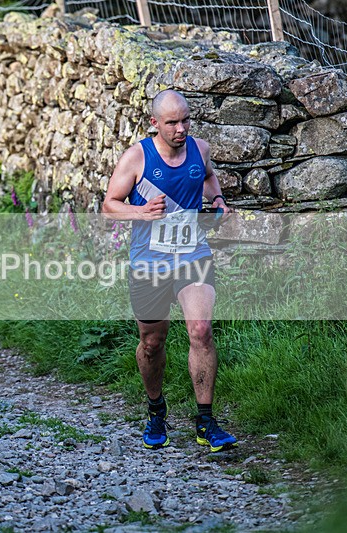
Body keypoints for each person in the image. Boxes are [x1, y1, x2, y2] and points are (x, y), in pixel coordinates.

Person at [101, 89, 238, 452]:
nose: (181, 129)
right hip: (149, 263)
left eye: (186, 120)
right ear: (155, 123)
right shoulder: (137, 157)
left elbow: (208, 177)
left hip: (193, 255)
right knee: (151, 343)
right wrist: (141, 212)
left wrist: (218, 200)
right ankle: (156, 411)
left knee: (201, 330)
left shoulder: (200, 149)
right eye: (172, 122)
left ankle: (206, 421)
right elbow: (109, 205)